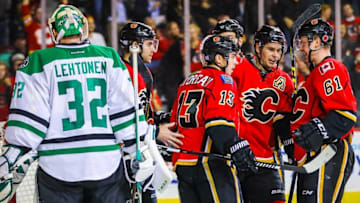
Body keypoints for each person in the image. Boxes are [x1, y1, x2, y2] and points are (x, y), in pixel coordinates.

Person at [1, 5, 154, 203]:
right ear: (83, 28)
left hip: (57, 167)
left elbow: (29, 123)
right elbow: (124, 113)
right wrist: (137, 150)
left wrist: (10, 156)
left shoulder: (37, 62)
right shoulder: (108, 57)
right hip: (105, 162)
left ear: (54, 31)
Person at [170, 34, 258, 203]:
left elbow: (174, 124)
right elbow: (217, 123)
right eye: (232, 57)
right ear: (219, 59)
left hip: (183, 163)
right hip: (210, 163)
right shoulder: (223, 80)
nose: (235, 62)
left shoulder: (187, 81)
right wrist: (235, 144)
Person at [214, 21, 294, 203]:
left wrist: (289, 141)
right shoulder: (237, 67)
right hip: (234, 157)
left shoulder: (284, 81)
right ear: (258, 47)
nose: (276, 55)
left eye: (279, 50)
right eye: (271, 49)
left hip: (265, 159)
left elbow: (283, 118)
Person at [291, 18, 357, 203]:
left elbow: (345, 115)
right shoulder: (315, 73)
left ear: (317, 42)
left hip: (328, 152)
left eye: (304, 43)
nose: (302, 48)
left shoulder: (329, 68)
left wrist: (318, 128)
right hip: (314, 156)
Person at [118, 21, 184, 202]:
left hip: (134, 149)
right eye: (148, 44)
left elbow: (142, 113)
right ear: (134, 45)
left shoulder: (138, 70)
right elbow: (128, 118)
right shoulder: (127, 73)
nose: (153, 49)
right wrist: (154, 132)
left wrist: (158, 118)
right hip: (126, 153)